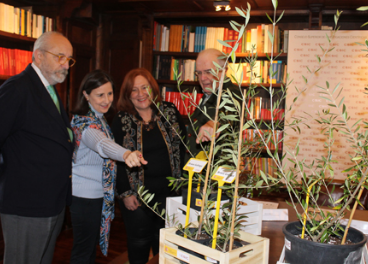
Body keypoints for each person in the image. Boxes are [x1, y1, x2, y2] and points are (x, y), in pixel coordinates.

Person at [0, 31, 75, 264]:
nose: (66, 65)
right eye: (59, 57)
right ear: (39, 56)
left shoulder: (49, 88)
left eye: (69, 60)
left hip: (50, 202)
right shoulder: (17, 88)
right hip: (26, 205)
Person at [69, 69, 147, 263]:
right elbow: (102, 144)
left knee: (87, 251)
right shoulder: (86, 124)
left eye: (109, 93)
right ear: (86, 95)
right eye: (100, 95)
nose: (106, 100)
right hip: (84, 197)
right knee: (83, 252)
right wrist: (126, 153)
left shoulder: (100, 119)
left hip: (94, 196)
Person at [112, 68, 186, 264]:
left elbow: (184, 149)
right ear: (127, 94)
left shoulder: (170, 111)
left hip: (171, 194)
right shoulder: (121, 120)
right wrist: (126, 193)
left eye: (144, 87)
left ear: (152, 88)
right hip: (137, 198)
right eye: (134, 90)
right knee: (139, 244)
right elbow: (116, 159)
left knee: (166, 245)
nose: (140, 94)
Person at [186, 48, 241, 160]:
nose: (202, 78)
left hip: (215, 174)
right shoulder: (209, 94)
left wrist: (214, 123)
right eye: (199, 73)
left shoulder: (231, 92)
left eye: (208, 72)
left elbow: (228, 111)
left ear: (224, 70)